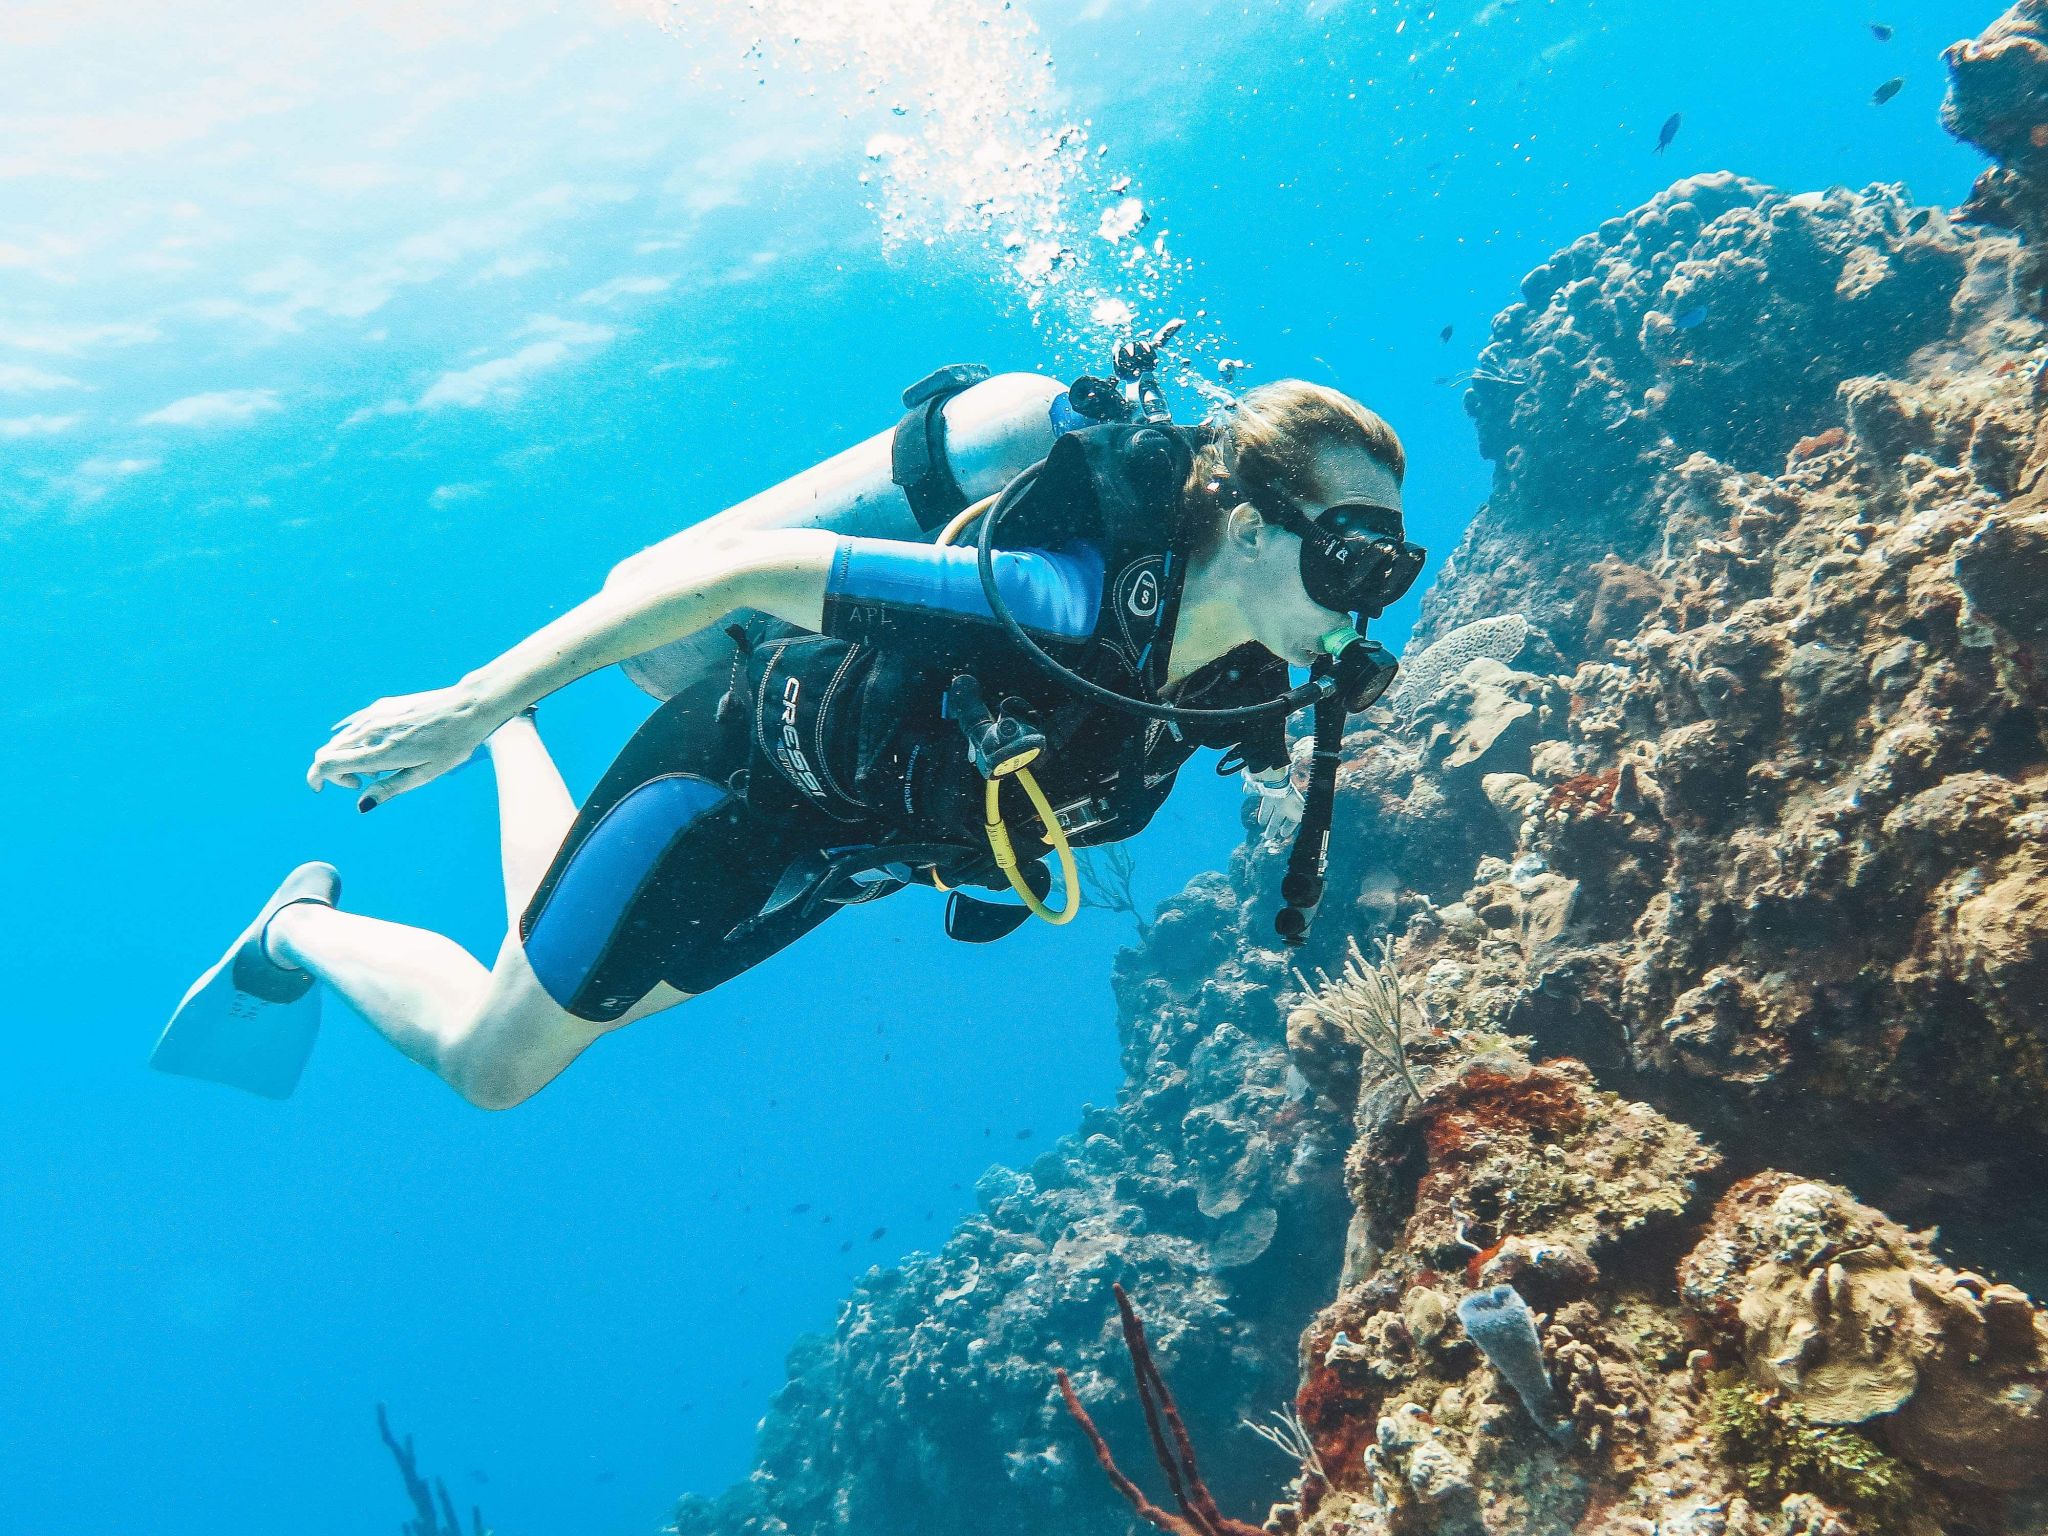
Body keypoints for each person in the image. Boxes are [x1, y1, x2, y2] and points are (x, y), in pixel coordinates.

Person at [155, 377, 1416, 1108]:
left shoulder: (1243, 683)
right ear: (1246, 529)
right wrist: (469, 701)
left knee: (554, 1011)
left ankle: (520, 747)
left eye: (1392, 566)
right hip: (733, 786)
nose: (1366, 596)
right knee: (497, 1067)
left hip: (840, 857)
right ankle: (292, 930)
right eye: (1350, 554)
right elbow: (747, 574)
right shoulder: (1047, 600)